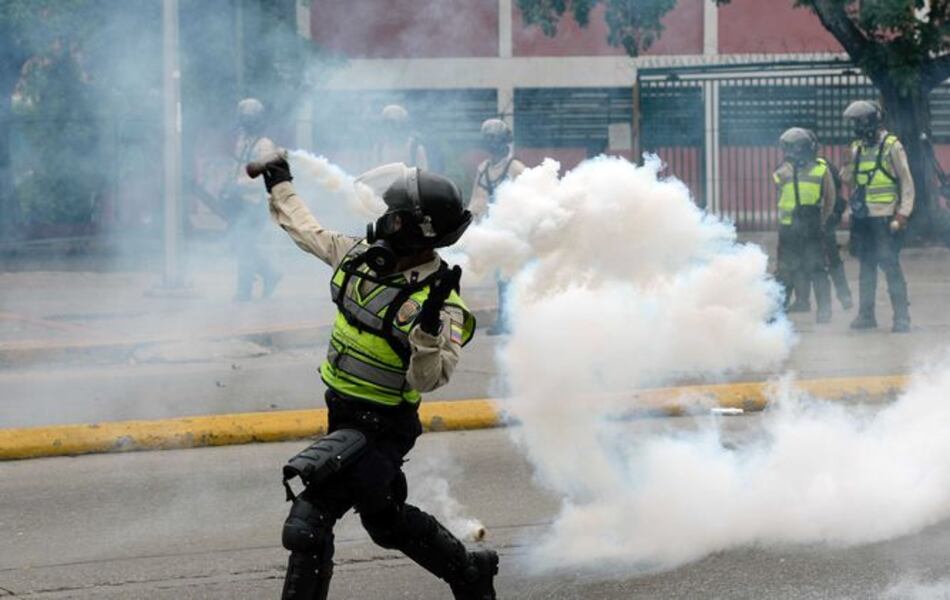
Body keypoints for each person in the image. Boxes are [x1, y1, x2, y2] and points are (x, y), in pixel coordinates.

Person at [254, 155, 498, 600]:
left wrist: (424, 333)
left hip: (382, 427)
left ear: (412, 229)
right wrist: (280, 184)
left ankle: (469, 572)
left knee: (308, 523)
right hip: (342, 413)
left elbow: (428, 380)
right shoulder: (361, 259)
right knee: (385, 522)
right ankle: (469, 571)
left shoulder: (438, 305)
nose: (383, 220)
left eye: (394, 215)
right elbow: (307, 231)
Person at [842, 100, 914, 332]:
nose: (856, 127)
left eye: (859, 122)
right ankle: (866, 315)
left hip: (885, 217)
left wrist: (903, 212)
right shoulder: (857, 148)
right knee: (866, 267)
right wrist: (847, 163)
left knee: (890, 265)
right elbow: (848, 180)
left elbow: (906, 181)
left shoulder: (892, 145)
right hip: (863, 218)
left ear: (872, 120)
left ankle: (901, 318)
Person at [469, 119, 526, 335]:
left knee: (513, 277)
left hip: (514, 232)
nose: (493, 145)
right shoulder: (483, 169)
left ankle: (515, 319)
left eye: (496, 140)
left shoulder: (516, 169)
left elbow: (528, 202)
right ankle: (505, 319)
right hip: (494, 230)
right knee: (501, 278)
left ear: (505, 142)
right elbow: (477, 199)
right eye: (489, 140)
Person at [773, 127, 835, 323]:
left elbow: (829, 200)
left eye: (793, 148)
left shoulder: (821, 169)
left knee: (817, 269)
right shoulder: (782, 171)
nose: (790, 153)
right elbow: (779, 195)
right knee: (784, 270)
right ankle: (779, 309)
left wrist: (821, 222)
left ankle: (824, 310)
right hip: (788, 228)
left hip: (811, 227)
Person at [229, 98, 281, 301]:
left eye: (249, 119)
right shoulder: (243, 140)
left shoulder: (265, 145)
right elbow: (239, 167)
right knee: (242, 245)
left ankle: (244, 290)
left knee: (245, 246)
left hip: (255, 205)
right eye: (243, 119)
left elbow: (262, 179)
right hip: (240, 203)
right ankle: (270, 275)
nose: (245, 123)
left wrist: (239, 184)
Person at [813, 129, 854, 310]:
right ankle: (844, 297)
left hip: (824, 219)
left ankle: (844, 297)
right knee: (826, 260)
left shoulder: (824, 166)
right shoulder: (824, 166)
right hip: (816, 220)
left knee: (829, 259)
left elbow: (834, 193)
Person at [374, 104, 428, 169]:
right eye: (385, 123)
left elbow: (423, 175)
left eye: (392, 123)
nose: (388, 127)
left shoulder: (414, 149)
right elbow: (374, 175)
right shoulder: (380, 148)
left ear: (402, 124)